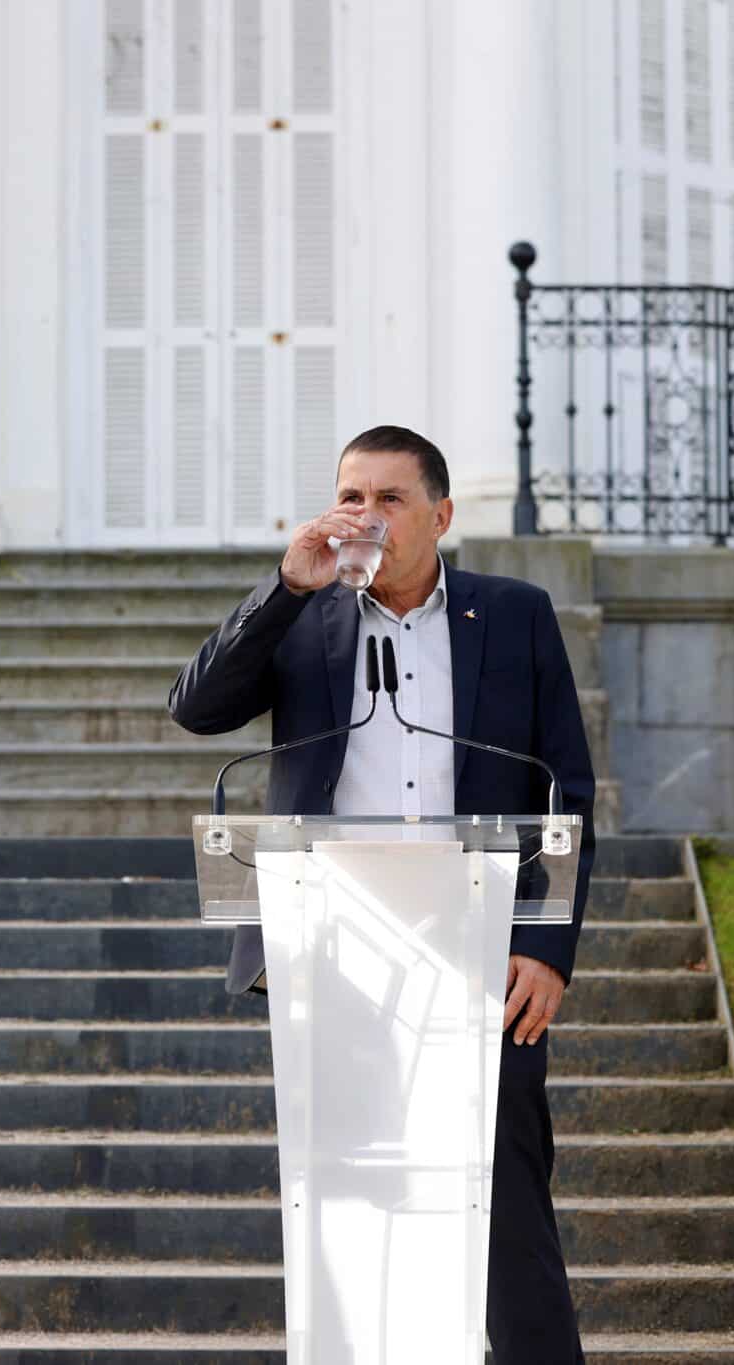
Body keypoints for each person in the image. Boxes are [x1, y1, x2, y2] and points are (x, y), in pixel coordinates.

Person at [168, 423, 596, 1362]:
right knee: (349, 1201)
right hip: (334, 951)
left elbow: (566, 785)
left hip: (481, 944)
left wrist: (547, 946)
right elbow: (196, 707)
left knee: (506, 1197)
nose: (364, 516)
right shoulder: (304, 617)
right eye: (350, 496)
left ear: (441, 514)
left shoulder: (515, 613)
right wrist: (284, 587)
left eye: (390, 499)